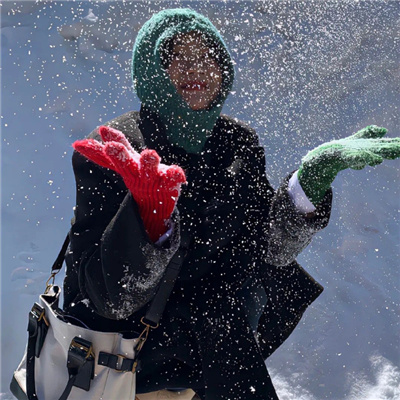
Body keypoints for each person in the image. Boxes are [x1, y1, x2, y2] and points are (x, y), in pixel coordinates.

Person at [64, 8, 400, 400]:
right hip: (129, 372)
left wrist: (307, 185)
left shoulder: (238, 142)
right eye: (178, 57)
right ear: (152, 71)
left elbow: (269, 250)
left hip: (219, 363)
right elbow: (108, 298)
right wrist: (148, 219)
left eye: (208, 56)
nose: (196, 68)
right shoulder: (115, 147)